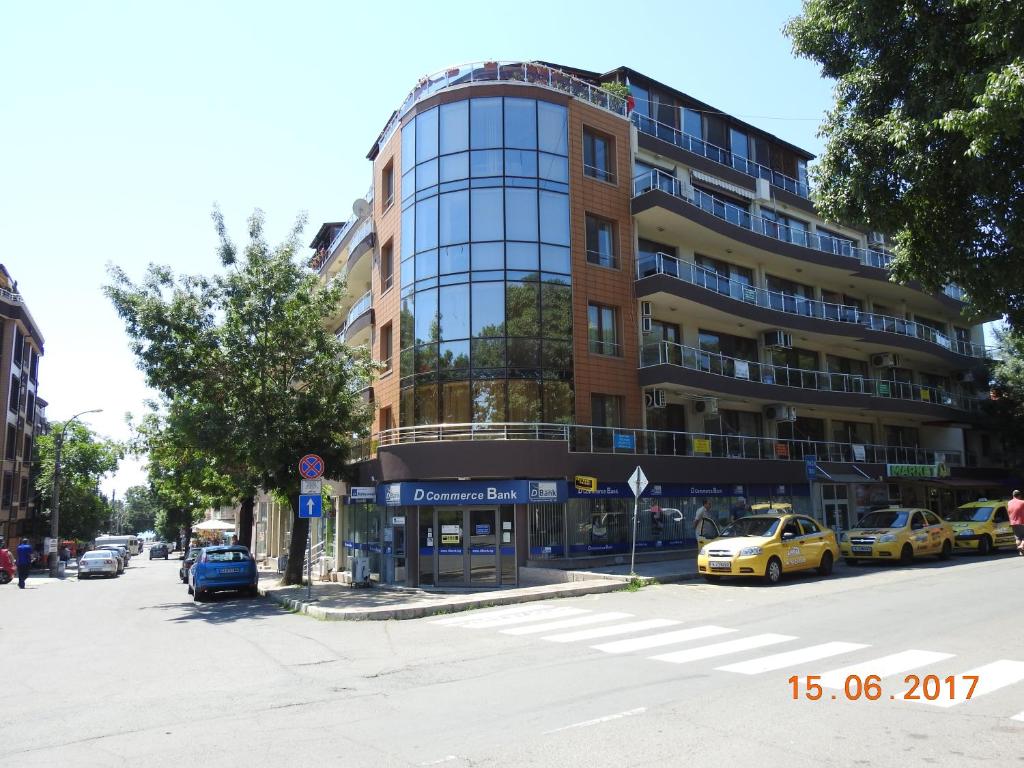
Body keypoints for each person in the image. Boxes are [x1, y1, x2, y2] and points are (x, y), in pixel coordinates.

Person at [1009, 489, 1024, 557]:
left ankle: (1021, 552)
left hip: (1013, 522)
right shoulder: (1022, 502)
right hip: (1021, 521)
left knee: (1018, 538)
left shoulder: (1009, 502)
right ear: (1020, 495)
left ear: (1013, 495)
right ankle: (1021, 546)